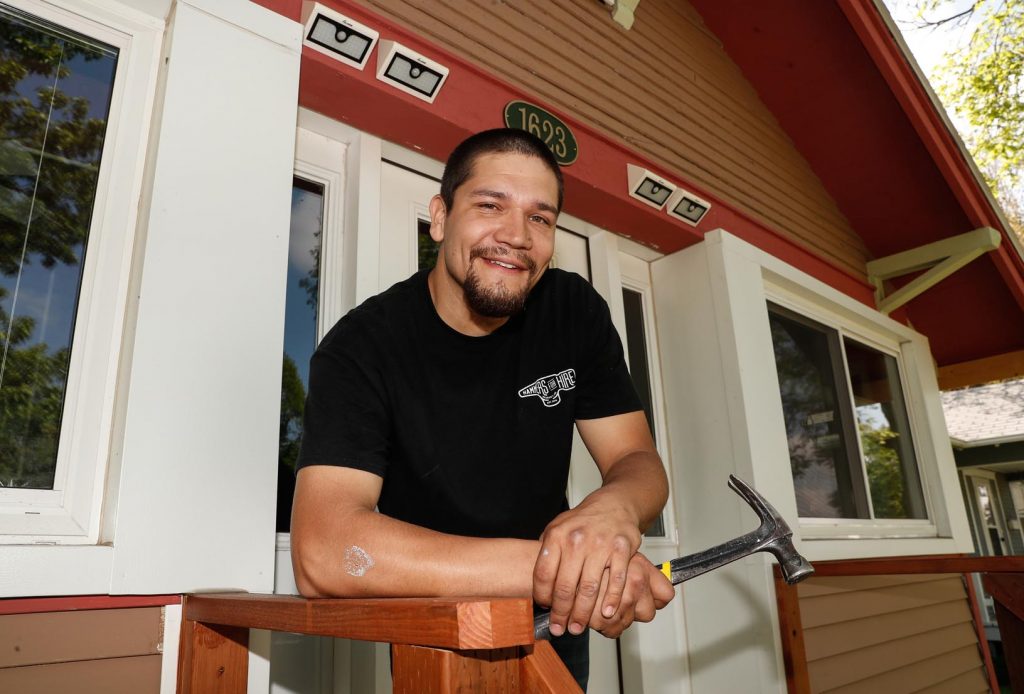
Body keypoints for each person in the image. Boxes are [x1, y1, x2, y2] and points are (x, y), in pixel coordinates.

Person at [291, 128, 674, 690]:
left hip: (557, 617)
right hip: (438, 619)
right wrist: (565, 565)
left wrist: (612, 510)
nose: (516, 235)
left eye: (540, 218)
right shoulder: (362, 346)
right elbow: (323, 553)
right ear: (440, 217)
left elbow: (637, 459)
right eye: (490, 205)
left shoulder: (573, 312)